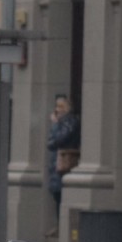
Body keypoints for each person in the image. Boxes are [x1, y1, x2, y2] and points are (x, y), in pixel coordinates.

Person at [45, 94, 80, 233]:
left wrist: (54, 125)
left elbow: (58, 140)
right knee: (57, 196)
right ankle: (60, 226)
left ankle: (63, 227)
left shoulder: (69, 121)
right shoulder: (63, 122)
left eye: (61, 106)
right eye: (56, 106)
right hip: (57, 165)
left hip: (65, 164)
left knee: (61, 195)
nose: (57, 110)